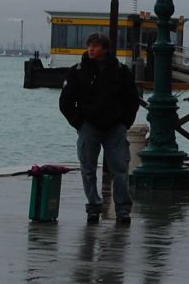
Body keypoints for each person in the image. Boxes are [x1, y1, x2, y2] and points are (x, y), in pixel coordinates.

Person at [58, 33, 140, 223]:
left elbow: (132, 100)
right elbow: (66, 101)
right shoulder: (77, 71)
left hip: (115, 128)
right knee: (88, 168)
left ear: (105, 48)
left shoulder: (121, 71)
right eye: (89, 46)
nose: (91, 49)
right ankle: (93, 206)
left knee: (120, 169)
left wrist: (124, 123)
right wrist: (79, 123)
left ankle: (123, 210)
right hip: (89, 127)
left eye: (95, 46)